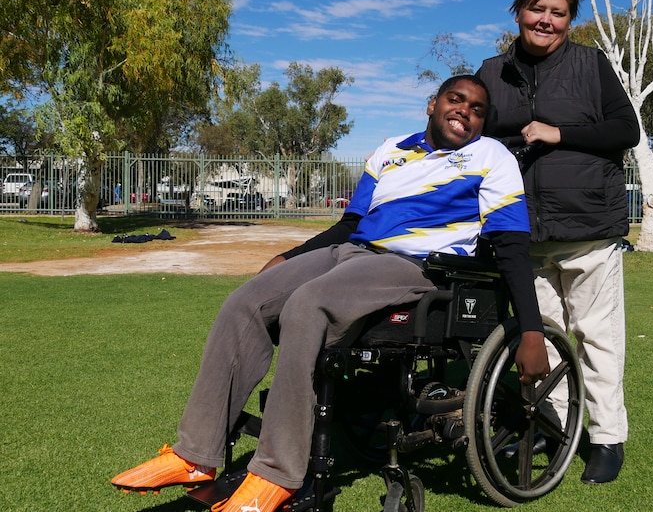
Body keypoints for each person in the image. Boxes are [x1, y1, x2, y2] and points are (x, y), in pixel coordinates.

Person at [110, 75, 551, 512]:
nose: (466, 113)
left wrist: (529, 330)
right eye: (457, 100)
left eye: (477, 110)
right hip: (351, 251)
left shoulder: (490, 155)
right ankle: (195, 455)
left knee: (308, 305)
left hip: (415, 265)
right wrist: (289, 255)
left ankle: (276, 473)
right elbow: (349, 225)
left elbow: (511, 244)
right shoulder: (391, 149)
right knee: (246, 301)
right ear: (433, 104)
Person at [476, 0, 640, 485]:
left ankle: (607, 438)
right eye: (537, 9)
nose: (545, 20)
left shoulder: (591, 64)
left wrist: (559, 133)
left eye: (558, 12)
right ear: (519, 11)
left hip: (589, 229)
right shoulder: (492, 70)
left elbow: (625, 130)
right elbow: (471, 136)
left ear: (570, 20)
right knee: (540, 343)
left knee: (597, 340)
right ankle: (555, 428)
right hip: (522, 233)